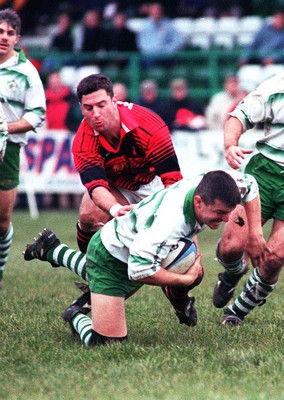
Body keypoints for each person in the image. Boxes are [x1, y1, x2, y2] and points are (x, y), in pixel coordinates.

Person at [23, 170, 244, 346]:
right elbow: (138, 271)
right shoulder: (168, 224)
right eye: (219, 212)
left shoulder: (204, 184)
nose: (226, 218)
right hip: (109, 257)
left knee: (189, 270)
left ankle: (51, 248)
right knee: (108, 343)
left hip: (131, 245)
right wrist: (183, 280)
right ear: (198, 201)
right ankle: (75, 315)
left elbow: (250, 183)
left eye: (228, 212)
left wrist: (253, 232)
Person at [71, 73, 183, 254]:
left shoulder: (148, 125)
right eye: (89, 108)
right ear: (81, 108)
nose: (96, 114)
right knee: (88, 216)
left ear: (114, 100)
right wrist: (116, 209)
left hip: (154, 185)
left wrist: (159, 212)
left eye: (101, 105)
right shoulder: (83, 141)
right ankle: (92, 271)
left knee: (183, 269)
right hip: (117, 187)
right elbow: (97, 188)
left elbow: (173, 182)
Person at [213, 71, 284, 326]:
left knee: (275, 255)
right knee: (232, 246)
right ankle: (233, 272)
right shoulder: (277, 86)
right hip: (264, 174)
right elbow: (238, 117)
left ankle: (237, 311)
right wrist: (230, 144)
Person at [0, 8, 45, 289]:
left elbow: (37, 114)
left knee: (2, 220)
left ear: (17, 37)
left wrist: (5, 128)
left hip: (9, 150)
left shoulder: (27, 72)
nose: (3, 37)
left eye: (9, 33)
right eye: (0, 31)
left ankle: (0, 269)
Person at [136, 2, 185, 67]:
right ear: (150, 12)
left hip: (166, 56)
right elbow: (142, 44)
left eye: (158, 10)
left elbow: (178, 41)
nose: (156, 12)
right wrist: (154, 52)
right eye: (154, 11)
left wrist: (166, 51)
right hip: (150, 56)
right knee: (136, 62)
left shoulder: (168, 23)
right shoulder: (145, 25)